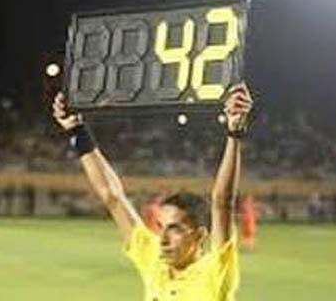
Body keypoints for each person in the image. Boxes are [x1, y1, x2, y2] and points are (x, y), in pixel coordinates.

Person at [52, 82, 253, 301]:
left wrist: (234, 133)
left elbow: (222, 203)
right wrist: (76, 130)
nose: (163, 240)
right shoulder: (155, 261)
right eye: (160, 227)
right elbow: (113, 197)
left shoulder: (214, 275)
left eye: (174, 229)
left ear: (200, 235)